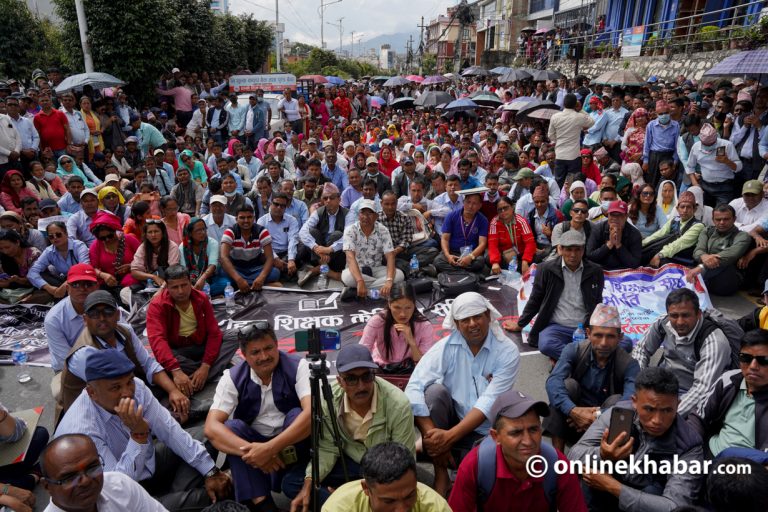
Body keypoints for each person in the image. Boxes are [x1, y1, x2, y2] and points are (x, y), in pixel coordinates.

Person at [55, 349, 232, 511]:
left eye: (128, 382)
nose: (127, 393)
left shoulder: (137, 387)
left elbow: (170, 431)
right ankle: (176, 499)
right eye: (115, 387)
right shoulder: (83, 431)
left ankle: (175, 496)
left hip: (149, 461)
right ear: (91, 392)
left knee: (205, 435)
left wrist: (211, 471)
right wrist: (138, 436)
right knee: (211, 497)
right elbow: (117, 489)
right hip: (122, 498)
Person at [405, 292, 520, 496]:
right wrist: (435, 438)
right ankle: (441, 471)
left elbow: (488, 403)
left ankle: (434, 452)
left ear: (488, 316)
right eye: (465, 320)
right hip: (450, 422)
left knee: (478, 478)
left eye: (477, 316)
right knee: (434, 393)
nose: (473, 324)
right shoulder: (446, 347)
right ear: (457, 324)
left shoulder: (507, 351)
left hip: (487, 429)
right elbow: (413, 387)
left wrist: (447, 438)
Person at [286, 344, 415, 509]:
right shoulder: (327, 400)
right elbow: (327, 448)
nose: (361, 386)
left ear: (374, 375)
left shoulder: (398, 403)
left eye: (366, 377)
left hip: (385, 468)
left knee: (397, 491)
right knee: (294, 483)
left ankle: (345, 503)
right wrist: (309, 482)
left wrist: (344, 496)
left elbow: (403, 460)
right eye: (352, 379)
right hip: (351, 464)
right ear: (340, 381)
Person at [205, 321, 311, 511]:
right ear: (243, 355)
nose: (264, 356)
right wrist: (256, 453)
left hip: (292, 442)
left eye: (268, 348)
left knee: (298, 415)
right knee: (231, 428)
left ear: (277, 345)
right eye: (255, 352)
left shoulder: (298, 366)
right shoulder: (231, 377)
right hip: (255, 449)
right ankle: (262, 503)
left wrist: (270, 449)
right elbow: (211, 428)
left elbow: (312, 413)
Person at [569, 368, 704, 511]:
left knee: (652, 491)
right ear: (634, 402)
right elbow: (572, 455)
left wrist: (613, 487)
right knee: (591, 471)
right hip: (604, 495)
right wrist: (601, 455)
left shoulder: (689, 445)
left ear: (677, 405)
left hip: (644, 502)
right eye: (649, 410)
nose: (657, 420)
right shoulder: (617, 416)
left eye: (667, 410)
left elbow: (674, 506)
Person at [55, 289, 189, 418]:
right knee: (170, 413)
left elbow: (148, 364)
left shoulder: (126, 330)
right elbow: (111, 394)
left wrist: (173, 390)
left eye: (108, 312)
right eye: (94, 314)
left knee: (176, 368)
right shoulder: (85, 353)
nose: (102, 318)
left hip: (125, 388)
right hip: (98, 411)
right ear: (85, 319)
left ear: (118, 314)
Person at [448, 389, 587, 512]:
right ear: (496, 437)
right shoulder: (475, 466)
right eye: (516, 433)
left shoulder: (558, 465)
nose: (528, 441)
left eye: (533, 429)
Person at [545, 304, 640, 452]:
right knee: (566, 386)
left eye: (610, 336)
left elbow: (629, 400)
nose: (603, 343)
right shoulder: (573, 350)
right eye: (598, 335)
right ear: (588, 333)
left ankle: (608, 458)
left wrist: (596, 416)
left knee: (619, 403)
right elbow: (553, 382)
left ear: (620, 338)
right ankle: (558, 457)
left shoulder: (629, 364)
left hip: (606, 425)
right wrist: (573, 411)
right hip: (572, 421)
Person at [631, 288, 734, 417]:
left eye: (685, 315)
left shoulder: (714, 341)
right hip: (661, 387)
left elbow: (702, 389)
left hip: (691, 399)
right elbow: (641, 350)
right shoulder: (663, 323)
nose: (679, 322)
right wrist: (640, 387)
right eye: (674, 316)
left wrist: (667, 416)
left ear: (698, 314)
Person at [505, 229, 608, 357]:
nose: (573, 254)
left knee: (624, 343)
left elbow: (598, 303)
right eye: (569, 249)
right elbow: (535, 300)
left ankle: (569, 359)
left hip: (586, 328)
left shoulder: (595, 271)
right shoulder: (546, 269)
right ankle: (584, 359)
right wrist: (520, 324)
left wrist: (600, 328)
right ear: (561, 249)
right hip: (557, 327)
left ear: (583, 250)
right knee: (546, 344)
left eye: (577, 250)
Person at [147, 264, 237, 396]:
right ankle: (207, 373)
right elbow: (157, 340)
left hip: (200, 345)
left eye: (184, 285)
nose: (181, 291)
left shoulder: (201, 298)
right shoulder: (157, 305)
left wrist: (205, 366)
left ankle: (195, 378)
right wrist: (176, 370)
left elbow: (214, 333)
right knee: (162, 357)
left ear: (190, 283)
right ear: (167, 286)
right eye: (175, 287)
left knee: (235, 335)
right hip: (179, 353)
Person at [688, 329, 768, 463]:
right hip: (711, 455)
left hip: (753, 468)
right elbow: (698, 417)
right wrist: (692, 450)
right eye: (746, 358)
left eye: (764, 360)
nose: (753, 366)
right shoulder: (728, 380)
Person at [41, 434, 167, 512]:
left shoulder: (119, 485)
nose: (85, 481)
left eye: (91, 468)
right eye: (69, 477)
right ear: (47, 486)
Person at [323, 442, 451, 512]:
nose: (402, 510)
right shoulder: (338, 508)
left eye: (410, 496)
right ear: (366, 488)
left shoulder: (434, 506)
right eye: (389, 501)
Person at [359, 282, 435, 371]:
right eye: (397, 308)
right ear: (389, 304)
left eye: (408, 308)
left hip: (410, 369)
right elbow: (363, 351)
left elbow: (424, 363)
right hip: (381, 367)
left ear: (414, 305)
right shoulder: (377, 321)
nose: (402, 314)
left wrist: (412, 342)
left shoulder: (424, 326)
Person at [340, 198, 404, 297]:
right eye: (362, 213)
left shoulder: (383, 230)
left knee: (399, 275)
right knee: (347, 277)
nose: (365, 217)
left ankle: (361, 291)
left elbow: (390, 256)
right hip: (357, 270)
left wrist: (389, 281)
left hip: (376, 268)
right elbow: (350, 258)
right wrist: (360, 280)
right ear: (358, 215)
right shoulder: (350, 230)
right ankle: (380, 291)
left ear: (376, 216)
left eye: (370, 213)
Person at [686, 204, 751, 295]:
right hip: (703, 273)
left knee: (722, 261)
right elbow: (698, 251)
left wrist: (702, 267)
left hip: (726, 280)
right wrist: (704, 256)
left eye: (726, 219)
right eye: (718, 219)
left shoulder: (743, 236)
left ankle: (695, 282)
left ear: (734, 219)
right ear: (713, 220)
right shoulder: (707, 231)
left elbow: (729, 255)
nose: (721, 222)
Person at [296, 183, 352, 286]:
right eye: (325, 198)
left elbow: (350, 237)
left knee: (337, 235)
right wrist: (316, 248)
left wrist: (329, 249)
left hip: (338, 256)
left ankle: (317, 270)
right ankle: (326, 270)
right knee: (312, 232)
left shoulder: (348, 214)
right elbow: (302, 231)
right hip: (319, 254)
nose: (328, 201)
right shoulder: (318, 212)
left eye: (332, 198)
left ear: (339, 199)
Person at [220, 204, 279, 293]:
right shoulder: (230, 232)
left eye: (249, 217)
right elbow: (224, 257)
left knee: (275, 272)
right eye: (242, 218)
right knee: (222, 272)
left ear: (254, 218)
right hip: (237, 268)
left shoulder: (261, 231)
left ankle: (243, 287)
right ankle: (257, 286)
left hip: (255, 268)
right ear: (236, 219)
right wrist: (239, 279)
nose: (246, 221)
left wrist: (261, 277)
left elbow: (270, 257)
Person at [641, 190, 704, 267]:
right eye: (682, 207)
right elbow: (659, 234)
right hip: (669, 253)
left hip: (683, 259)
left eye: (688, 207)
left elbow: (680, 243)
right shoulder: (674, 220)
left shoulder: (698, 225)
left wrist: (660, 254)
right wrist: (642, 243)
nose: (685, 210)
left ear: (694, 210)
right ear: (677, 209)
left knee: (658, 262)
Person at [28, 220, 89, 299]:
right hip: (63, 282)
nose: (55, 238)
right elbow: (32, 272)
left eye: (58, 235)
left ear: (66, 234)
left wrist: (66, 284)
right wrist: (49, 288)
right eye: (51, 236)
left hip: (82, 280)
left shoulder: (79, 246)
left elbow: (85, 268)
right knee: (42, 274)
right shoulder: (49, 251)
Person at [433, 191, 488, 275]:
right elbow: (444, 239)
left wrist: (470, 257)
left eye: (474, 203)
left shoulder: (483, 220)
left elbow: (482, 244)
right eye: (468, 202)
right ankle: (469, 274)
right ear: (463, 202)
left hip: (471, 254)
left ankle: (456, 272)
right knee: (438, 261)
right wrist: (448, 256)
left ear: (480, 206)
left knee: (479, 262)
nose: (470, 206)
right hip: (453, 252)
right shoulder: (451, 216)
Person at [687, 123, 741, 206]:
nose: (708, 146)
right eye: (705, 144)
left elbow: (739, 167)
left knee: (721, 213)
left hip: (724, 187)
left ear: (716, 139)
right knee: (704, 212)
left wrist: (727, 161)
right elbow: (690, 167)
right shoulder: (696, 147)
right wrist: (696, 184)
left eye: (710, 144)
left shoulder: (726, 145)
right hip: (705, 186)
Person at [548, 93, 595, 187]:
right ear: (575, 104)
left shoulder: (555, 117)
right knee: (573, 182)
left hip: (560, 154)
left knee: (559, 182)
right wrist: (581, 109)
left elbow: (551, 136)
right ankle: (570, 199)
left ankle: (559, 200)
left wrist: (560, 139)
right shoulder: (579, 116)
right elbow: (592, 121)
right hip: (574, 156)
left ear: (564, 104)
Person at [257, 192, 301, 283]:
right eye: (276, 204)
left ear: (286, 207)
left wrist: (291, 259)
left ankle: (286, 268)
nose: (278, 208)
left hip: (287, 252)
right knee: (261, 254)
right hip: (270, 253)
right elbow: (263, 244)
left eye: (282, 206)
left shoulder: (292, 220)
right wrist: (275, 259)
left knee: (303, 245)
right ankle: (291, 271)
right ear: (270, 203)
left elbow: (293, 240)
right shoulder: (262, 221)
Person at [586, 200, 643, 270]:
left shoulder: (635, 234)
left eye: (619, 215)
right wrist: (609, 244)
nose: (615, 218)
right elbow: (590, 256)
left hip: (623, 272)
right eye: (612, 214)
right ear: (608, 215)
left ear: (626, 216)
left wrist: (619, 245)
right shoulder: (598, 229)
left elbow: (634, 263)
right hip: (600, 270)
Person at [487, 195, 535, 275]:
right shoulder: (494, 223)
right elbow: (492, 245)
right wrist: (495, 262)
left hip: (521, 254)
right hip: (505, 256)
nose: (503, 211)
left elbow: (530, 243)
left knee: (534, 258)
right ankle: (516, 270)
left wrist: (525, 261)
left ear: (512, 207)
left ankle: (514, 270)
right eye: (500, 210)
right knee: (488, 259)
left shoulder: (521, 221)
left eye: (505, 208)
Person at [130, 220, 180, 289]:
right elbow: (134, 271)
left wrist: (163, 286)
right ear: (146, 235)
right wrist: (153, 277)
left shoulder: (172, 246)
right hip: (149, 281)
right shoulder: (143, 247)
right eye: (150, 232)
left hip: (169, 282)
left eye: (156, 231)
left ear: (163, 233)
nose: (153, 235)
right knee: (125, 291)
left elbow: (173, 271)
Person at [643, 100, 680, 188]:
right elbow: (647, 143)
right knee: (652, 181)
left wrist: (675, 160)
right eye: (660, 114)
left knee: (667, 183)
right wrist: (645, 160)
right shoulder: (651, 125)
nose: (663, 115)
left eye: (666, 113)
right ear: (656, 114)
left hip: (669, 156)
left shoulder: (676, 125)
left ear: (669, 112)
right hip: (654, 156)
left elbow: (677, 145)